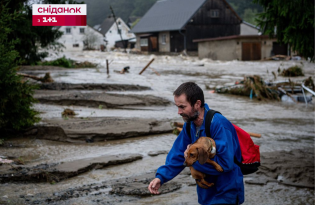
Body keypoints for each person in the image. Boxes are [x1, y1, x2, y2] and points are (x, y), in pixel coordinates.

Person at [148, 82, 244, 205]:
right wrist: (161, 177)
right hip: (206, 192)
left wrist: (193, 160)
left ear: (197, 104)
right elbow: (178, 154)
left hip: (225, 192)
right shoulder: (190, 125)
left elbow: (226, 164)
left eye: (182, 107)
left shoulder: (219, 124)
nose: (179, 112)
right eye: (177, 107)